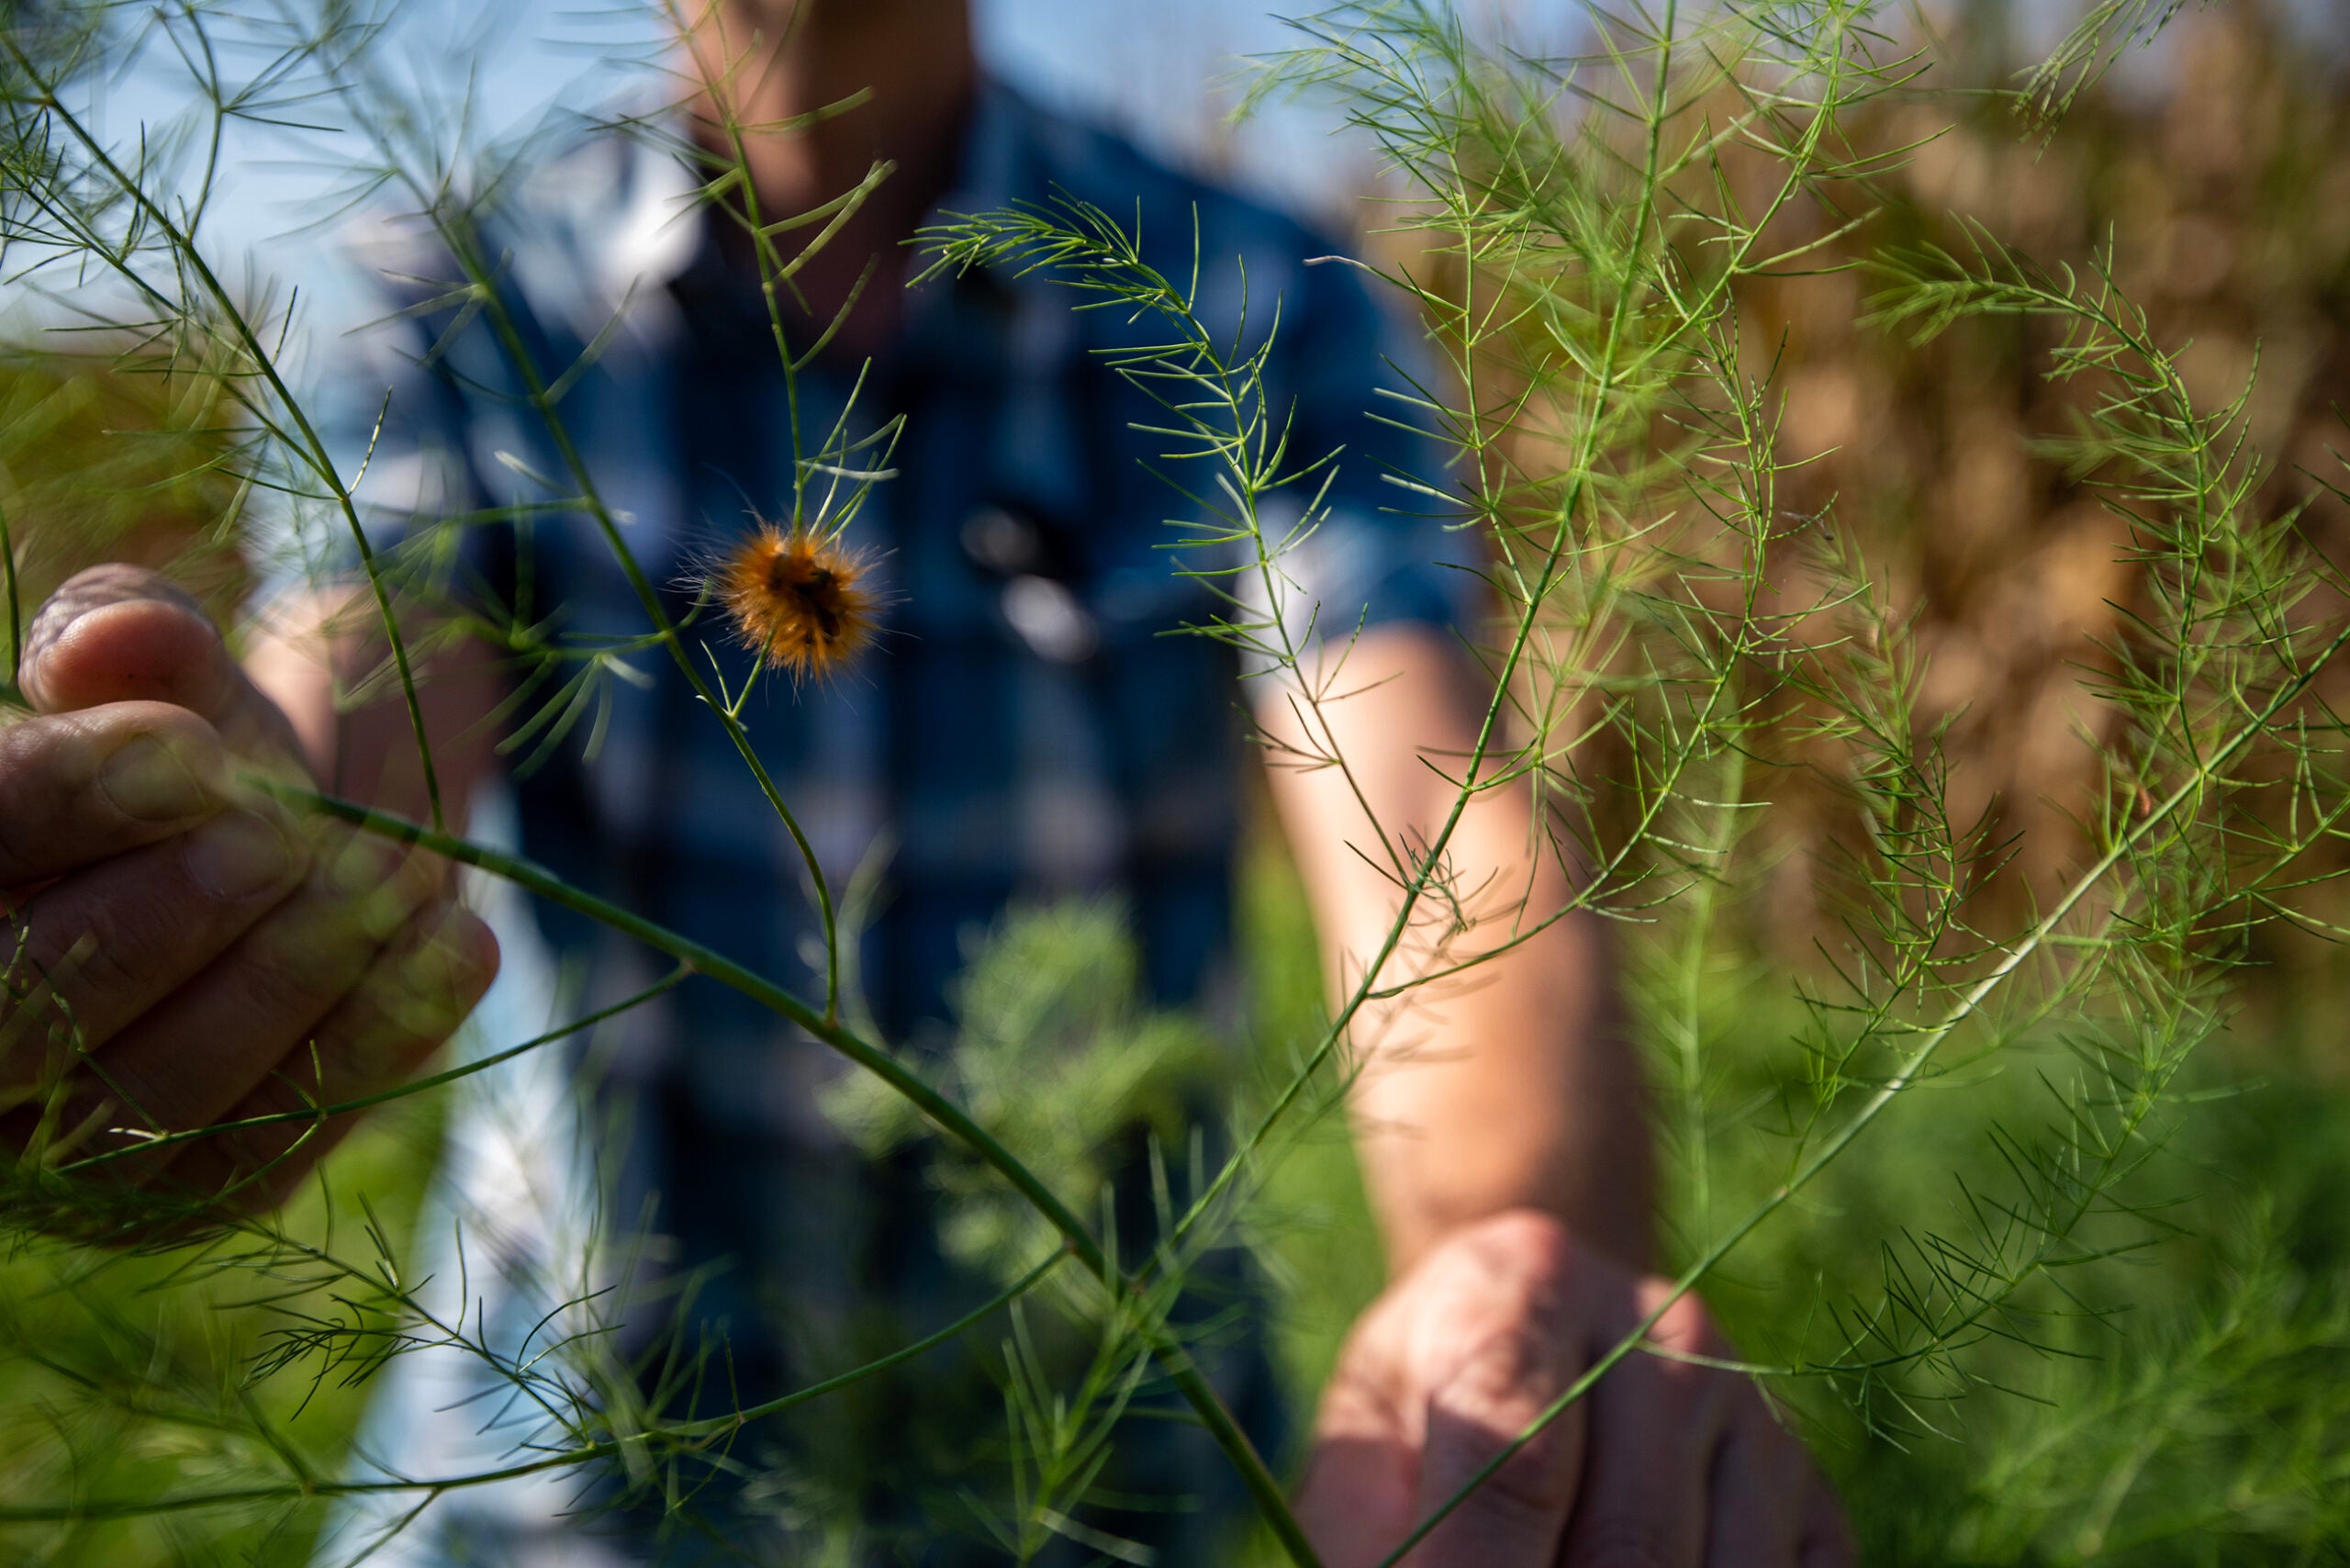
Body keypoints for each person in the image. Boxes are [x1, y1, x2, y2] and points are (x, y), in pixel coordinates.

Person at [0, 1, 1852, 1562]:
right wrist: (215, 852)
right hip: (556, 1498)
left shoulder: (1249, 304)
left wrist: (1509, 1275)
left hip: (1105, 1483)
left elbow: (1436, 835)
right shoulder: (450, 316)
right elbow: (360, 725)